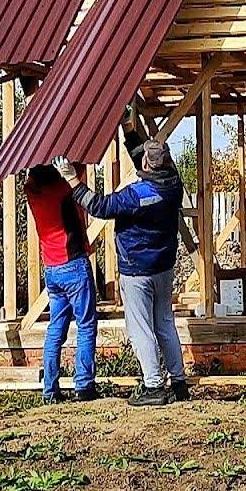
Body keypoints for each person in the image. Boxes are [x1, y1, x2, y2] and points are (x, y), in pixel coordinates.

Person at [52, 131, 187, 406]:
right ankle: (179, 382)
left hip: (138, 270)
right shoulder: (173, 184)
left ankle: (153, 387)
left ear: (147, 166)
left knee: (140, 329)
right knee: (164, 323)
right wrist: (128, 127)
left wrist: (70, 178)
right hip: (164, 267)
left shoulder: (137, 195)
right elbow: (145, 159)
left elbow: (99, 206)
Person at [23, 163, 98, 404]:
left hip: (52, 269)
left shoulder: (32, 191)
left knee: (56, 329)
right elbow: (80, 170)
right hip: (73, 265)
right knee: (86, 325)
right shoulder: (62, 189)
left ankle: (50, 390)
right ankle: (84, 386)